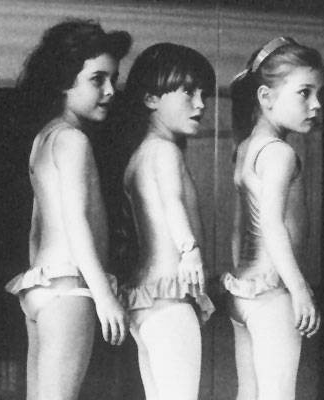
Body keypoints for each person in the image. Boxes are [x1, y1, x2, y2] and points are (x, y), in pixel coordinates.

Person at [5, 19, 131, 400]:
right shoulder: (74, 140)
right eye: (97, 80)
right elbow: (76, 221)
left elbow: (37, 227)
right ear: (63, 81)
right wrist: (103, 296)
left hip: (39, 285)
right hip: (70, 288)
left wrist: (40, 277)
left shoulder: (44, 138)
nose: (110, 91)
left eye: (113, 79)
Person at [226, 36, 323, 400]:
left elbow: (239, 229)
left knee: (248, 393)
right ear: (265, 97)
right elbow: (271, 223)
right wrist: (299, 289)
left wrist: (240, 275)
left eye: (319, 94)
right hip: (271, 292)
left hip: (243, 289)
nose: (316, 104)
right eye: (304, 93)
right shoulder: (279, 153)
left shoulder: (245, 148)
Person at [118, 43, 217, 400]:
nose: (200, 104)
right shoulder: (164, 150)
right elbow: (172, 201)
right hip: (170, 301)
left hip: (146, 303)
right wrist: (189, 250)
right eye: (188, 91)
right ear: (150, 99)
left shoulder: (140, 155)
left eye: (203, 94)